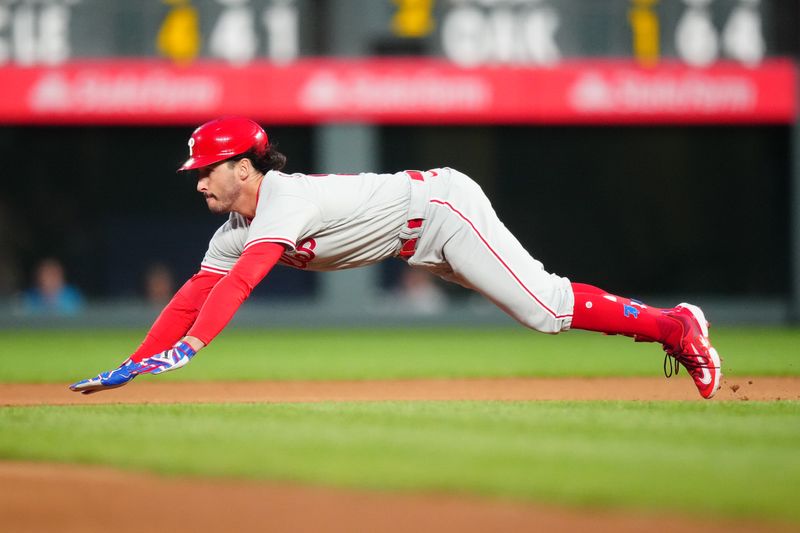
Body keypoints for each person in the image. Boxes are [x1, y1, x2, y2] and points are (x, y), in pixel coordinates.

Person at [70, 116, 722, 398]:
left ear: (243, 167)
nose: (198, 180)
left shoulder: (284, 201)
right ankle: (673, 325)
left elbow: (241, 284)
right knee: (542, 310)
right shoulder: (236, 224)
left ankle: (676, 326)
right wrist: (132, 364)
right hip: (414, 239)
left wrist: (193, 348)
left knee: (546, 308)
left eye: (207, 169)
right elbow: (194, 294)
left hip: (440, 208)